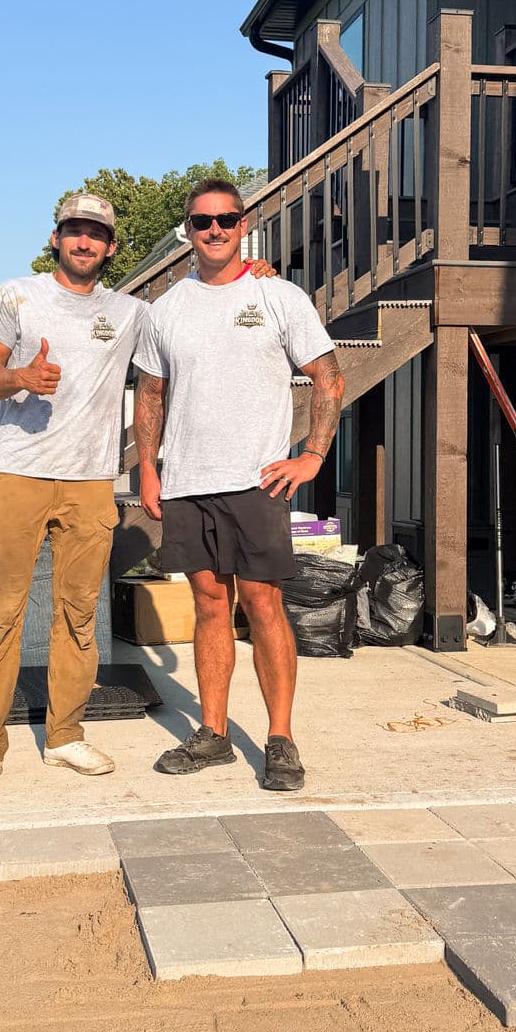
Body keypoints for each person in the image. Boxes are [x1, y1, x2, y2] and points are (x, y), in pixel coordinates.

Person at [133, 177, 345, 793]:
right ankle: (214, 733)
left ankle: (280, 739)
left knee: (262, 603)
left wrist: (313, 455)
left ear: (243, 225)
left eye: (226, 219)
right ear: (188, 231)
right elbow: (150, 393)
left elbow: (329, 377)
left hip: (256, 482)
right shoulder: (166, 309)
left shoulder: (277, 295)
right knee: (208, 605)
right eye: (203, 221)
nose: (215, 230)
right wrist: (149, 467)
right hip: (187, 481)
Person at [0, 193, 143, 792]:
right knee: (0, 614)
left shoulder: (131, 312)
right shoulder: (16, 295)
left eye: (96, 233)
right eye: (74, 230)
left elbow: (195, 323)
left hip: (90, 481)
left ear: (111, 247)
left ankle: (64, 737)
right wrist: (20, 376)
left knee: (79, 615)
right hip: (18, 473)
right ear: (56, 238)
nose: (85, 241)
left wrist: (255, 272)